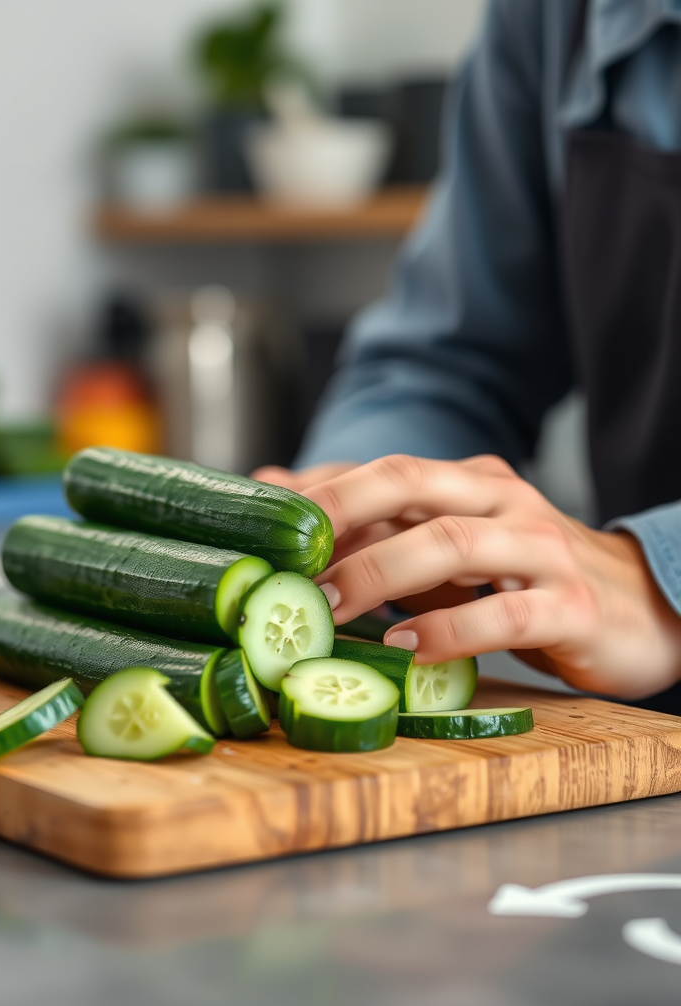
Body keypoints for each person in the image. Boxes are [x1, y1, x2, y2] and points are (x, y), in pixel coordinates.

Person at [255, 0, 681, 706]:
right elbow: (452, 361)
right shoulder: (548, 16)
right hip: (637, 728)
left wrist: (661, 578)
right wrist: (370, 496)